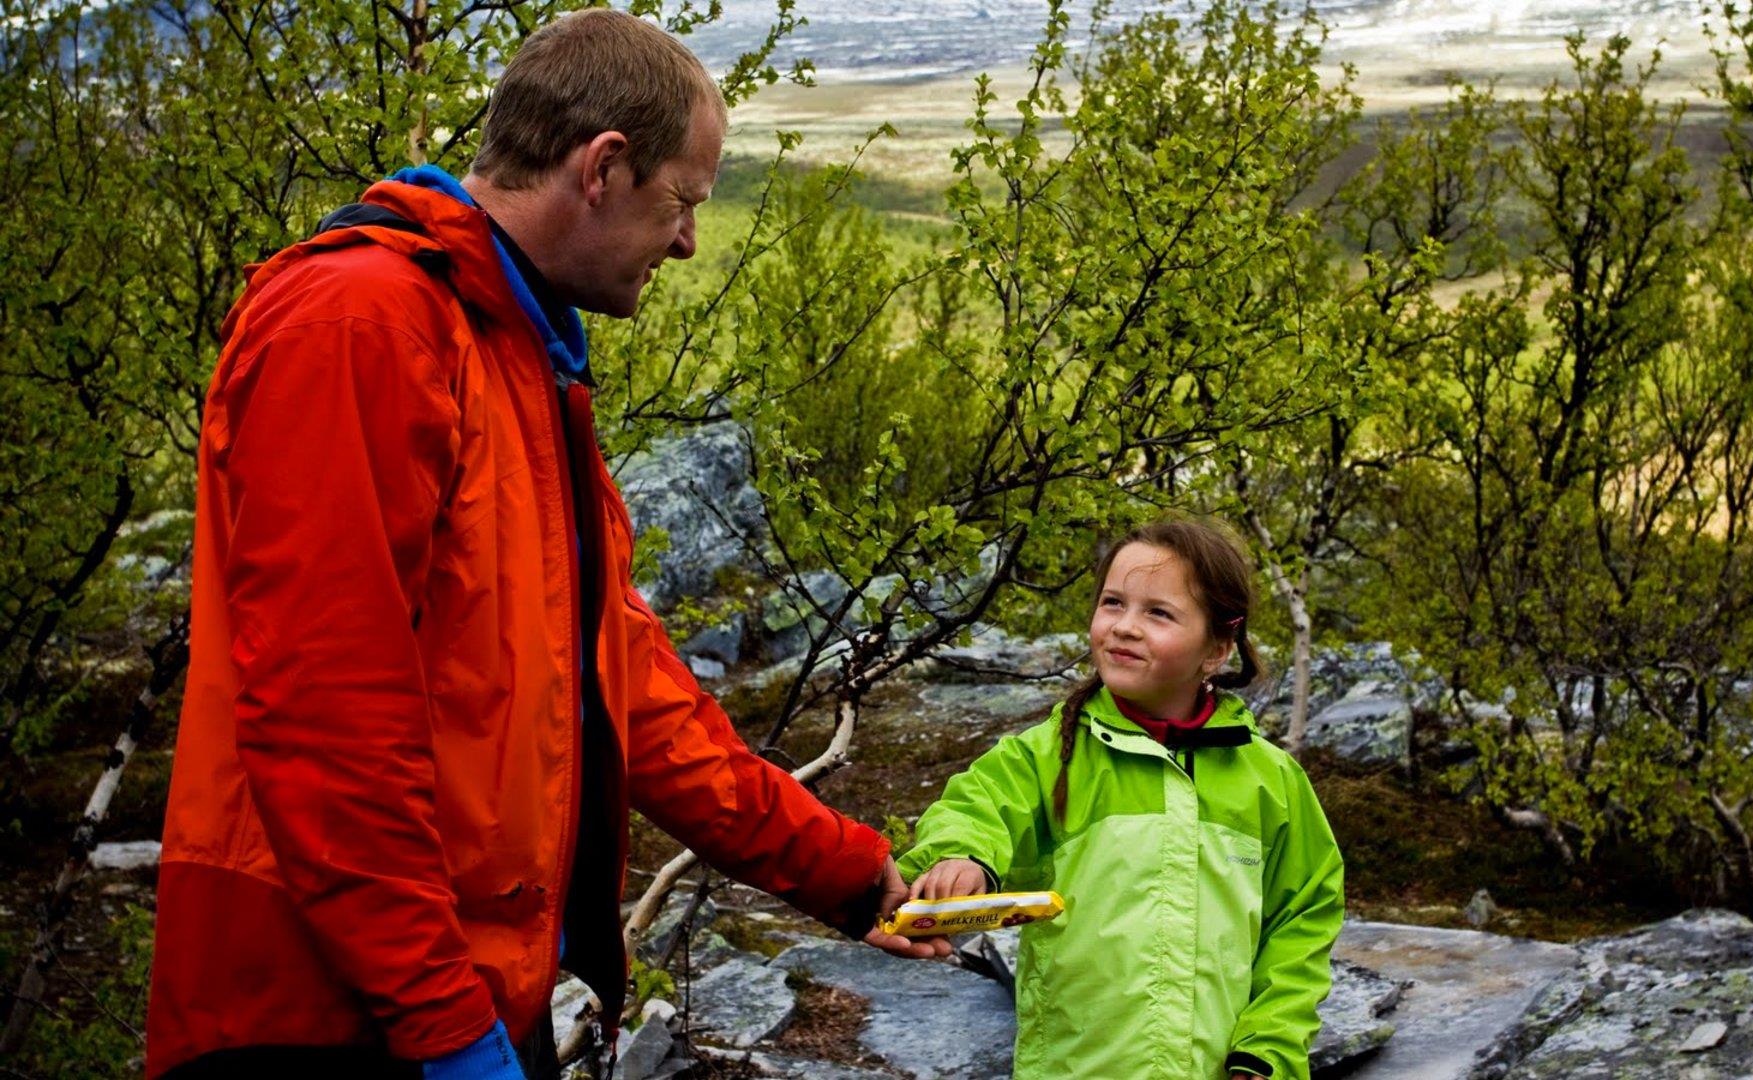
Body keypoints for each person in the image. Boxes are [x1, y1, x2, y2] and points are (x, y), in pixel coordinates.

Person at [145, 11, 946, 1080]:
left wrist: (847, 875)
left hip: (453, 999)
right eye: (683, 202)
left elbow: (630, 698)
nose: (688, 241)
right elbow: (324, 712)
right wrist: (442, 1022)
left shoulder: (518, 360)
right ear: (604, 168)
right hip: (319, 1015)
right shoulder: (360, 323)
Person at [898, 518, 1345, 1080]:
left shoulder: (1270, 781)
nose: (1125, 627)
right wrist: (961, 856)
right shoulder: (1047, 757)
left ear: (1218, 647)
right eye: (1113, 603)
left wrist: (1268, 1053)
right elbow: (977, 805)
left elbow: (1302, 923)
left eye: (1158, 613)